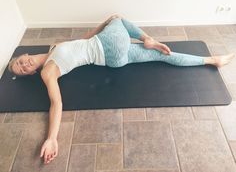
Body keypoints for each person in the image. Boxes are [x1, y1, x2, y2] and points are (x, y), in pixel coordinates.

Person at [7, 15, 235, 164]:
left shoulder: (54, 45)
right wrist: (52, 138)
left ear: (25, 55)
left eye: (20, 62)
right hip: (109, 47)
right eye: (22, 70)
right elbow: (56, 103)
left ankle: (212, 60)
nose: (24, 65)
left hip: (116, 57)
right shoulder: (48, 71)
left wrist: (101, 26)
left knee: (163, 55)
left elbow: (83, 39)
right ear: (30, 74)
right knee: (117, 17)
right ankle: (148, 38)